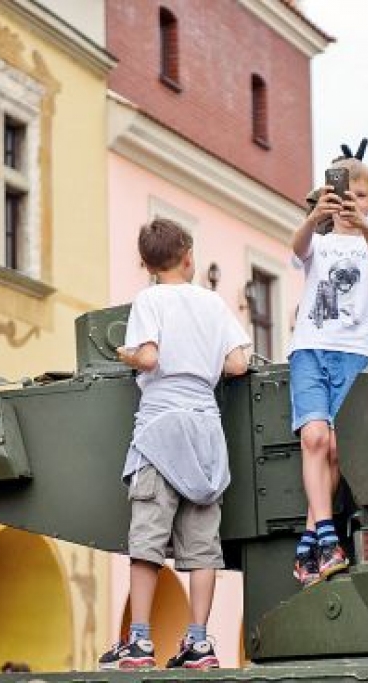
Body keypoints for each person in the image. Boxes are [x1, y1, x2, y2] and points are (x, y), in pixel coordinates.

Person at [98, 218, 250, 671]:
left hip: (161, 428)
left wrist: (125, 354)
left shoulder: (149, 299)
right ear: (189, 258)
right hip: (205, 429)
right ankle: (199, 641)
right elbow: (238, 364)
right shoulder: (212, 302)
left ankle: (140, 641)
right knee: (203, 545)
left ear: (145, 264)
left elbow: (148, 357)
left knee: (147, 538)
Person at [289, 158, 368, 588]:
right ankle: (328, 537)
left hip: (354, 353)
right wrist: (315, 218)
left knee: (335, 449)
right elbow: (297, 251)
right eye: (343, 194)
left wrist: (365, 225)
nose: (352, 202)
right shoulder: (320, 241)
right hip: (310, 348)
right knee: (313, 437)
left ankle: (309, 540)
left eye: (361, 196)